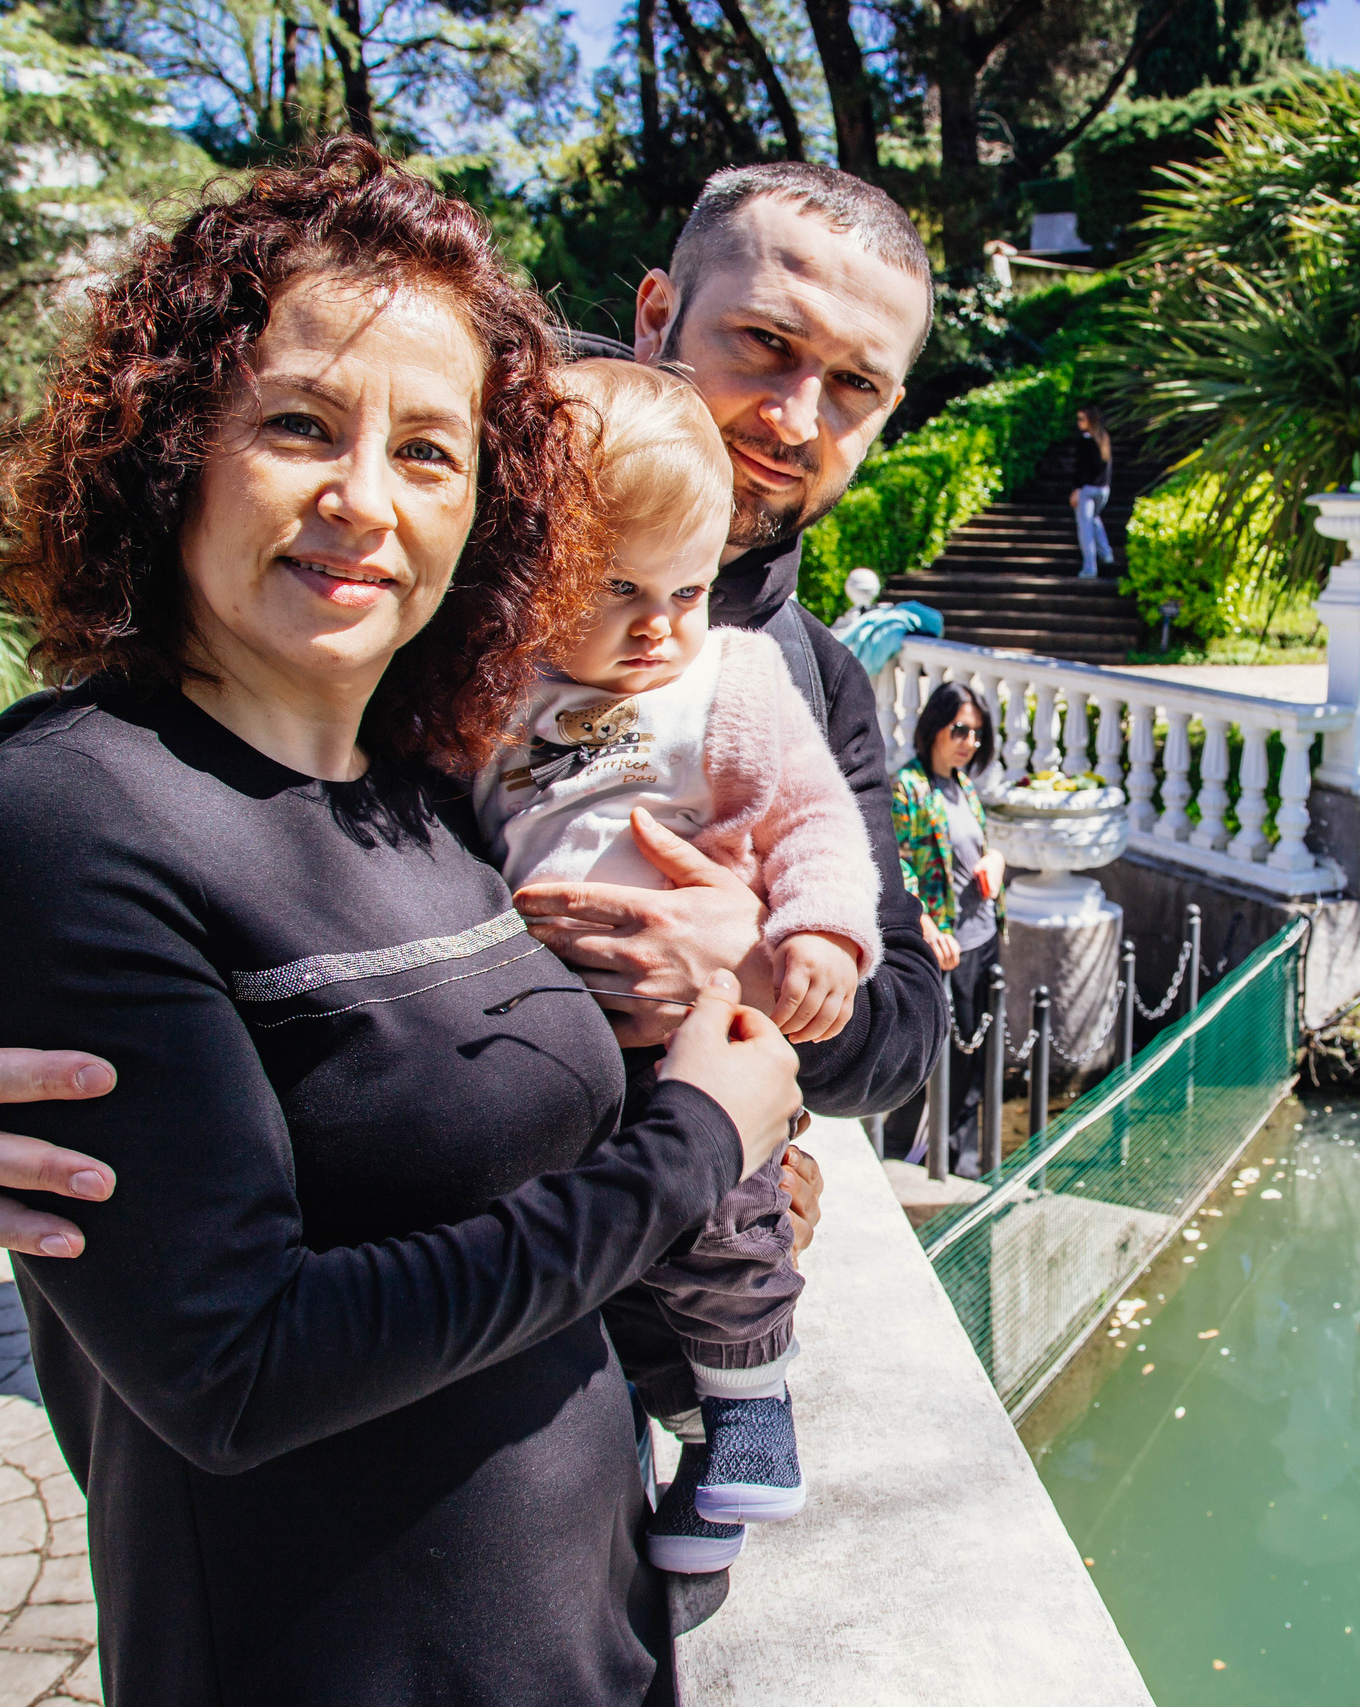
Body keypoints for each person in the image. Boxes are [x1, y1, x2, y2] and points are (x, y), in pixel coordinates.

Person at [0, 162, 947, 1446]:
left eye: (855, 387)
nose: (794, 412)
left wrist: (752, 981)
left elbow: (901, 1027)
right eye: (764, 343)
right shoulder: (430, 539)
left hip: (611, 1355)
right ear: (657, 313)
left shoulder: (804, 675)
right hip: (331, 1412)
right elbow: (27, 795)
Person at [0, 141, 804, 1704]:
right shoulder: (66, 820)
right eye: (301, 422)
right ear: (170, 445)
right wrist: (695, 1151)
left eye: (432, 453)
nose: (362, 499)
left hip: (587, 1631)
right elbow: (236, 1366)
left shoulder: (423, 784)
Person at [474, 358, 883, 1573]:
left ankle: (751, 1412)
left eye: (689, 590)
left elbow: (816, 820)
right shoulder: (489, 691)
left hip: (697, 1036)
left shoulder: (733, 683)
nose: (659, 626)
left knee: (723, 1222)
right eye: (618, 590)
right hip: (547, 1036)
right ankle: (695, 1447)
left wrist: (812, 937)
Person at [885, 681, 1005, 1168]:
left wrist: (995, 858)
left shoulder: (963, 786)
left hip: (983, 939)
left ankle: (964, 1159)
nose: (969, 743)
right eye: (960, 730)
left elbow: (978, 846)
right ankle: (904, 1156)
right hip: (943, 945)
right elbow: (896, 865)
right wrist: (926, 926)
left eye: (976, 734)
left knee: (974, 1061)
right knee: (932, 1057)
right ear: (934, 727)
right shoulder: (908, 787)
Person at [1069, 404, 1114, 579]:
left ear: (1090, 421)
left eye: (1082, 419)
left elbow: (1081, 469)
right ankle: (1106, 553)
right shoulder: (1103, 438)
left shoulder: (1086, 440)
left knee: (1085, 528)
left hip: (1087, 489)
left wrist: (1076, 490)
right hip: (1103, 489)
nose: (1079, 422)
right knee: (1093, 519)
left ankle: (1090, 568)